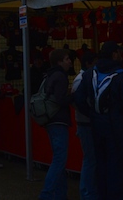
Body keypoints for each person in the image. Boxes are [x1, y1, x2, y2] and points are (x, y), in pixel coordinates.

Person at [74, 42, 123, 200]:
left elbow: (78, 99)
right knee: (115, 165)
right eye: (119, 52)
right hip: (117, 128)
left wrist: (92, 114)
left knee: (101, 164)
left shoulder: (89, 73)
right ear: (114, 54)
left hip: (97, 126)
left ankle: (102, 195)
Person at [38, 49, 73, 200]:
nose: (70, 61)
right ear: (59, 62)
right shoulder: (60, 76)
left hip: (51, 120)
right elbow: (60, 99)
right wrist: (73, 95)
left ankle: (60, 194)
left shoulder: (50, 74)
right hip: (58, 121)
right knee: (59, 159)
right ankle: (47, 194)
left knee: (59, 159)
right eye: (67, 59)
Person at [72, 51, 98, 200]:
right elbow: (77, 102)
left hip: (86, 122)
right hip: (85, 123)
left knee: (91, 159)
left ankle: (89, 192)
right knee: (90, 160)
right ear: (88, 64)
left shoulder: (84, 78)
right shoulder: (81, 79)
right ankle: (87, 193)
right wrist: (90, 114)